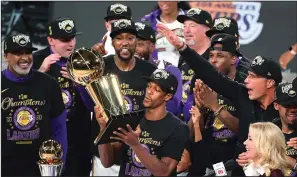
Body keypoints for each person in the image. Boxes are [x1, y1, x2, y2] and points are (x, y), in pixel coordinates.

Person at [156, 23, 288, 175]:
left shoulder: (286, 108)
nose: (246, 80)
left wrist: (260, 156)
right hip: (237, 169)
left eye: (253, 77)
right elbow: (211, 75)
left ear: (270, 82)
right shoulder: (243, 95)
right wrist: (183, 48)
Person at [86, 19, 157, 176]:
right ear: (112, 42)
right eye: (119, 38)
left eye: (130, 38)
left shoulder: (150, 71)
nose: (124, 43)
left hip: (137, 155)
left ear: (136, 41)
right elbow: (86, 101)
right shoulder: (100, 66)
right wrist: (90, 61)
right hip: (104, 152)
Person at [95, 68, 190, 176]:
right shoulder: (131, 118)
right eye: (149, 86)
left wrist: (135, 145)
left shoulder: (178, 128)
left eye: (157, 89)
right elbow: (107, 162)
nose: (149, 91)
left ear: (167, 96)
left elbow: (164, 172)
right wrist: (103, 127)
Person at [32, 17, 92, 176]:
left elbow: (93, 105)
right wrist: (41, 72)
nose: (71, 43)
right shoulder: (35, 60)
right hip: (46, 138)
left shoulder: (84, 60)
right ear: (51, 40)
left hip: (78, 139)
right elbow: (23, 98)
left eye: (73, 37)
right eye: (65, 39)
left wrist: (81, 83)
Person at [1, 34, 67, 176]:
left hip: (42, 168)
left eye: (28, 53)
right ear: (6, 56)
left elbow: (59, 129)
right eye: (18, 53)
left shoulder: (49, 84)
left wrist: (58, 167)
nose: (25, 58)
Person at [188, 34, 245, 176]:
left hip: (236, 162)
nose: (213, 60)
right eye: (211, 55)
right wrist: (199, 110)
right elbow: (192, 133)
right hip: (207, 160)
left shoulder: (244, 86)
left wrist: (215, 106)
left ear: (233, 59)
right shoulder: (203, 82)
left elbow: (245, 130)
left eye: (219, 55)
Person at [135, 21, 182, 116]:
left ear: (152, 47)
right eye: (132, 43)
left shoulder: (169, 70)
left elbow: (173, 108)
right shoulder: (122, 70)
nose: (135, 49)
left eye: (140, 44)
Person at [175, 7, 213, 122]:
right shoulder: (183, 55)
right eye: (184, 26)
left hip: (204, 123)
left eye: (192, 26)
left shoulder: (214, 58)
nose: (186, 31)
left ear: (207, 30)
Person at [140, 1, 190, 67]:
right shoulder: (147, 21)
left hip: (187, 70)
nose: (163, 2)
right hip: (155, 72)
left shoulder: (191, 18)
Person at [274, 82, 297, 174]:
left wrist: (288, 160)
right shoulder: (267, 134)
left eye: (296, 104)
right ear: (276, 105)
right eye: (287, 105)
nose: (293, 109)